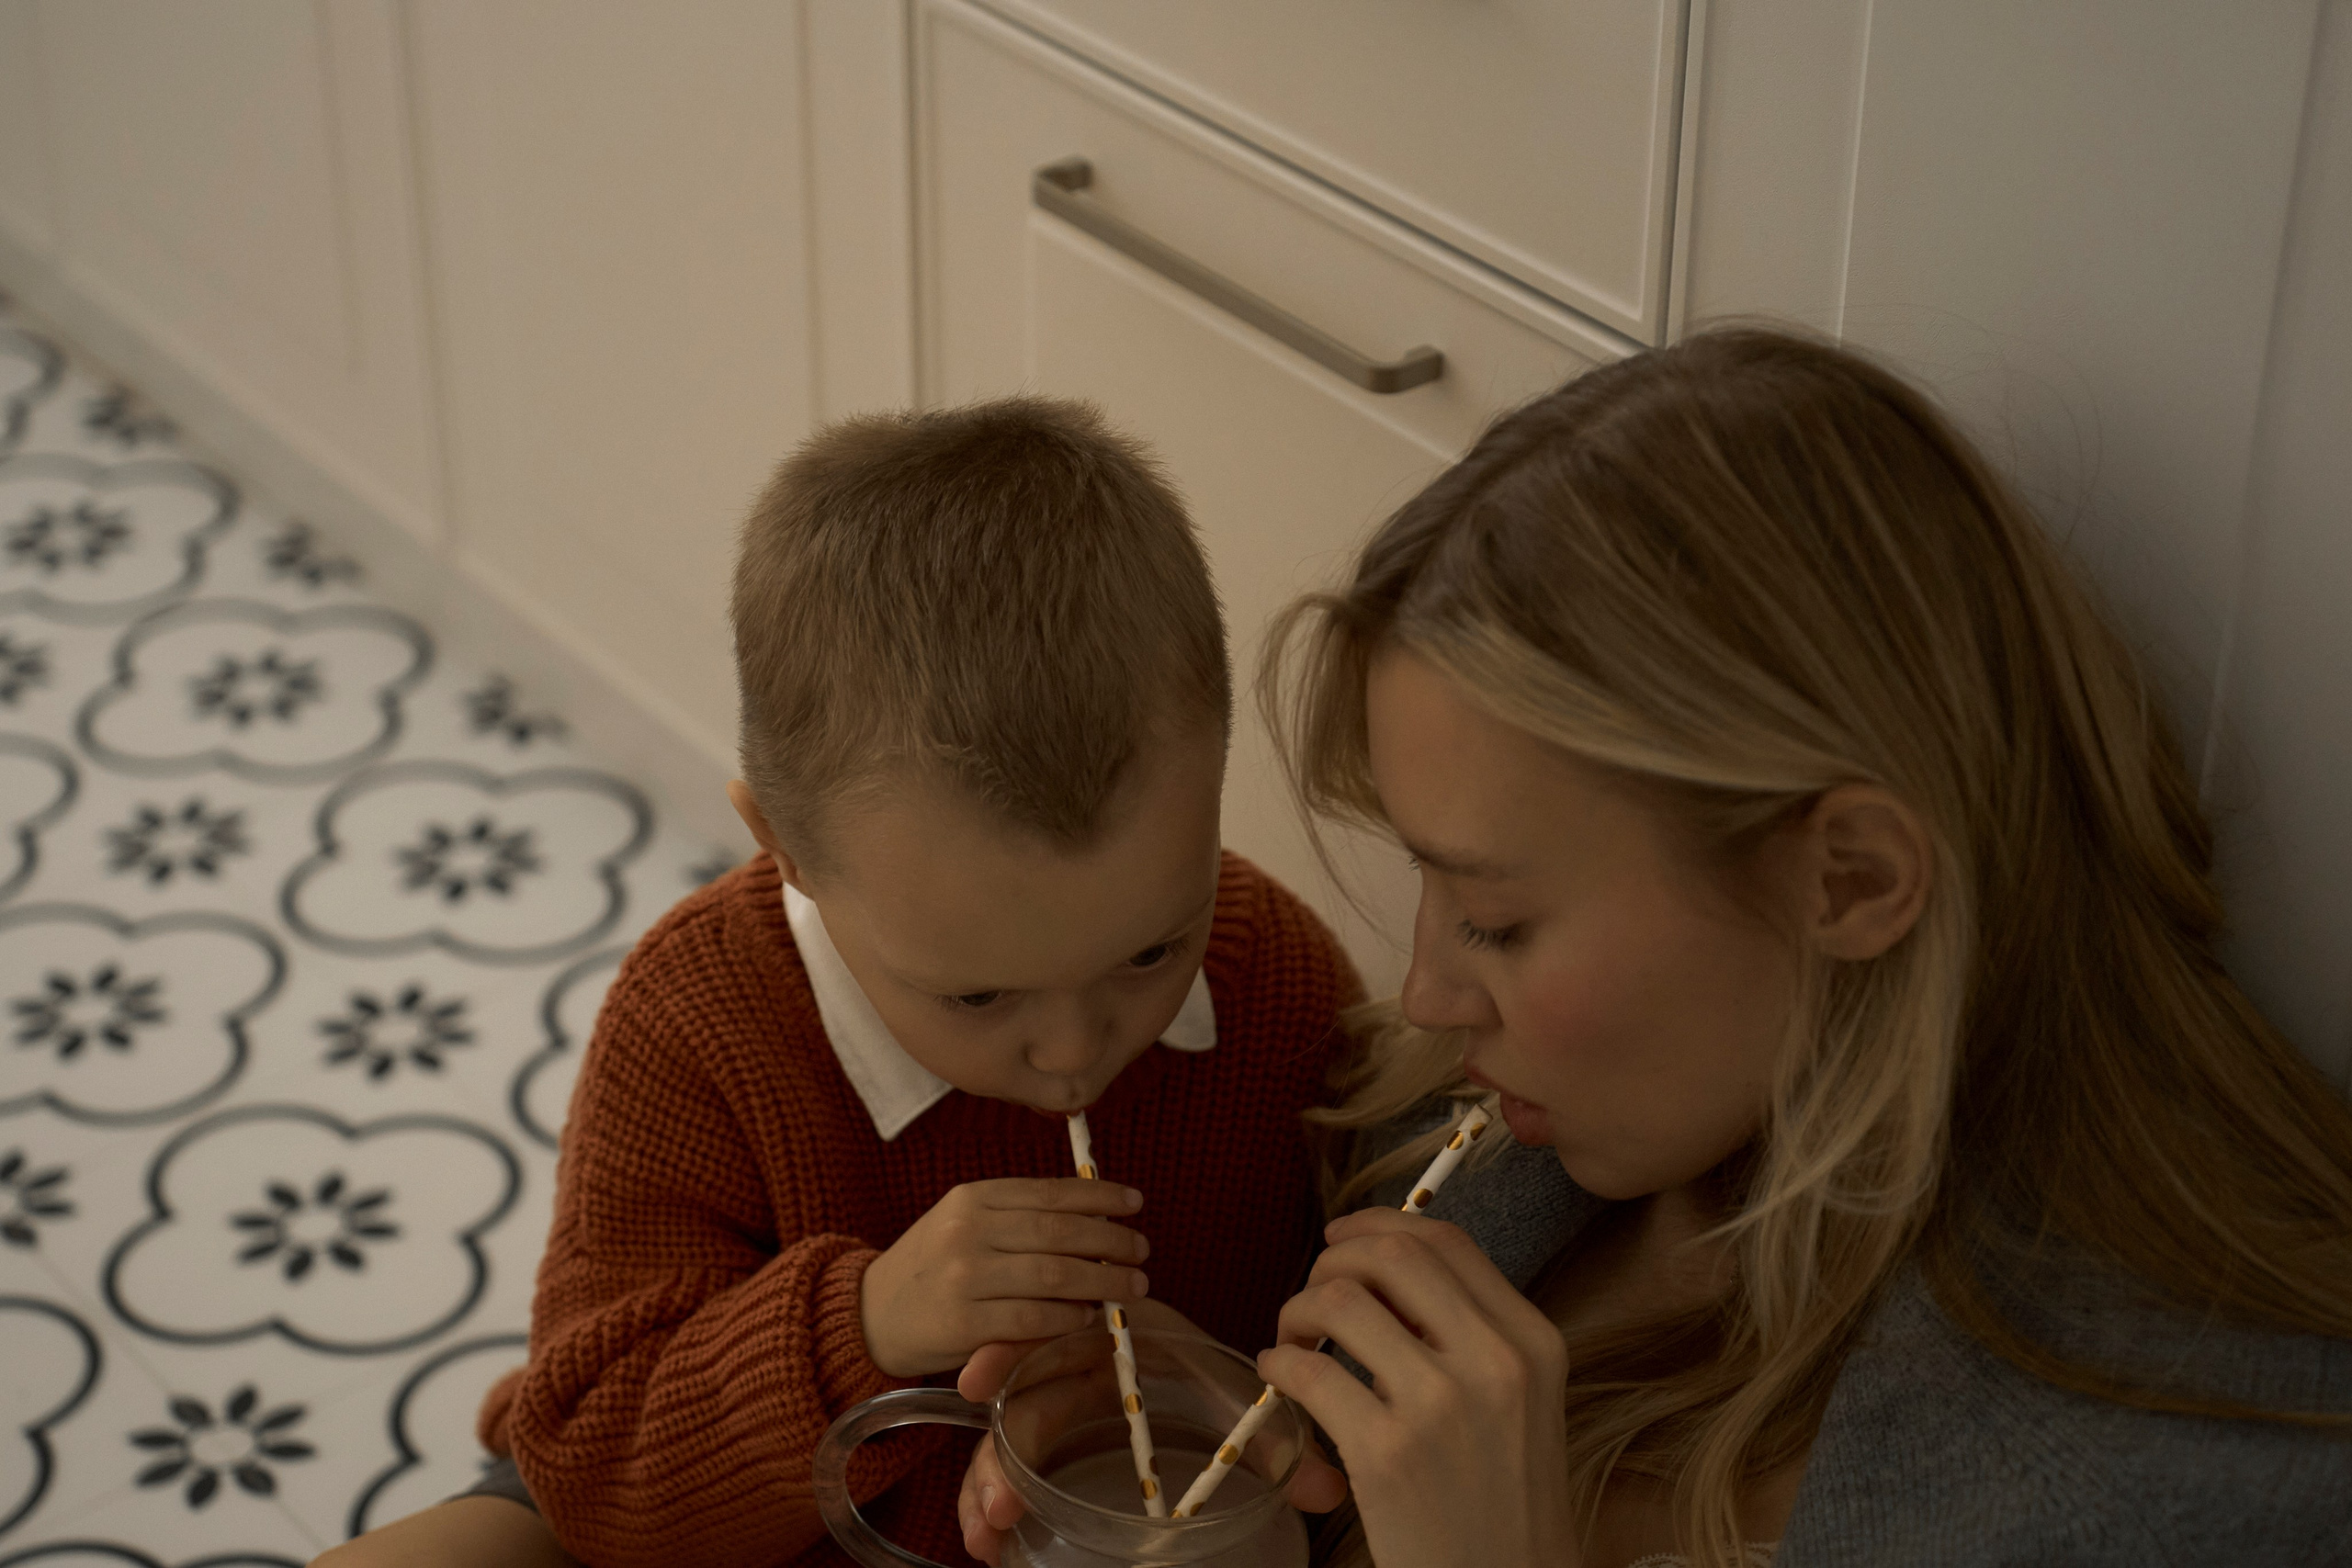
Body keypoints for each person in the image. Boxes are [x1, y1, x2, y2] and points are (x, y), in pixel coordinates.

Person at [960, 328, 2352, 1567]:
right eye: (1429, 888)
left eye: (1498, 918)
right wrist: (1248, 1450)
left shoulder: (2211, 1483)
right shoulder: (1514, 1145)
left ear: (1853, 878)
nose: (1428, 989)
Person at [315, 398, 1359, 1567]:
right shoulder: (699, 1021)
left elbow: (1360, 1339)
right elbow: (593, 1473)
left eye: (1149, 953)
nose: (1072, 1050)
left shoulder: (1276, 973)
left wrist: (1209, 1383)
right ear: (787, 852)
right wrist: (864, 1325)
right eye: (977, 998)